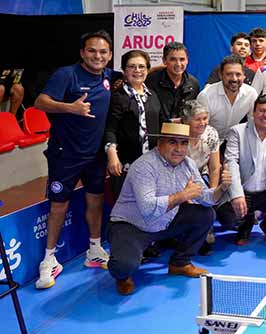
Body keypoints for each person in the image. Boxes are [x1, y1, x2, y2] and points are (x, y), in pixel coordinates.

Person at [107, 123, 232, 295]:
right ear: (160, 143)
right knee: (124, 265)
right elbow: (147, 208)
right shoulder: (144, 166)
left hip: (164, 221)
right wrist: (183, 195)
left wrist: (222, 188)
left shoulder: (188, 164)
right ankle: (121, 276)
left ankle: (179, 263)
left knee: (206, 214)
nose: (179, 149)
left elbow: (206, 198)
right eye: (173, 142)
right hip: (132, 226)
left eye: (183, 143)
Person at [33, 30, 115, 289]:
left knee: (96, 201)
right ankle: (49, 260)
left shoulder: (108, 77)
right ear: (82, 53)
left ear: (110, 55)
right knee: (58, 207)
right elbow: (40, 102)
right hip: (64, 155)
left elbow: (140, 71)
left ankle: (94, 249)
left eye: (103, 52)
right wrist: (71, 108)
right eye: (92, 51)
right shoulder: (65, 75)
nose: (97, 56)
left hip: (94, 156)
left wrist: (166, 65)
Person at [217, 94, 266, 246]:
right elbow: (231, 163)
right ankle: (246, 222)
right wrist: (237, 195)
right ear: (253, 113)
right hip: (244, 190)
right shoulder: (237, 132)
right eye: (261, 111)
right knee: (226, 217)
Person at [105, 49, 161, 200]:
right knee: (126, 211)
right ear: (124, 70)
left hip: (151, 166)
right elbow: (110, 129)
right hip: (125, 166)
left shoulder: (153, 96)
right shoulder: (118, 97)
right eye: (132, 66)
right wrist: (112, 155)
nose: (137, 70)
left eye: (142, 66)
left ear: (148, 70)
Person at [183, 100, 221, 255]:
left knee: (205, 201)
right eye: (197, 119)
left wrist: (212, 193)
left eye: (205, 118)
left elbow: (214, 167)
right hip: (180, 176)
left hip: (202, 173)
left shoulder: (211, 134)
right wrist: (187, 195)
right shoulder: (177, 133)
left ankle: (205, 236)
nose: (203, 123)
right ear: (186, 121)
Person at [197, 55, 259, 141]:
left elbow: (253, 124)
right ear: (221, 75)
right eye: (229, 74)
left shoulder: (251, 94)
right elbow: (199, 129)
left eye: (238, 74)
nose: (234, 79)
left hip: (232, 141)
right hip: (206, 141)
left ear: (244, 76)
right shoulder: (206, 95)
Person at [145, 42, 200, 123]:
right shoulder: (151, 81)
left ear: (187, 60)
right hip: (156, 132)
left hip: (183, 132)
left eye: (182, 59)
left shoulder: (193, 84)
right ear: (164, 60)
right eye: (173, 59)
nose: (178, 64)